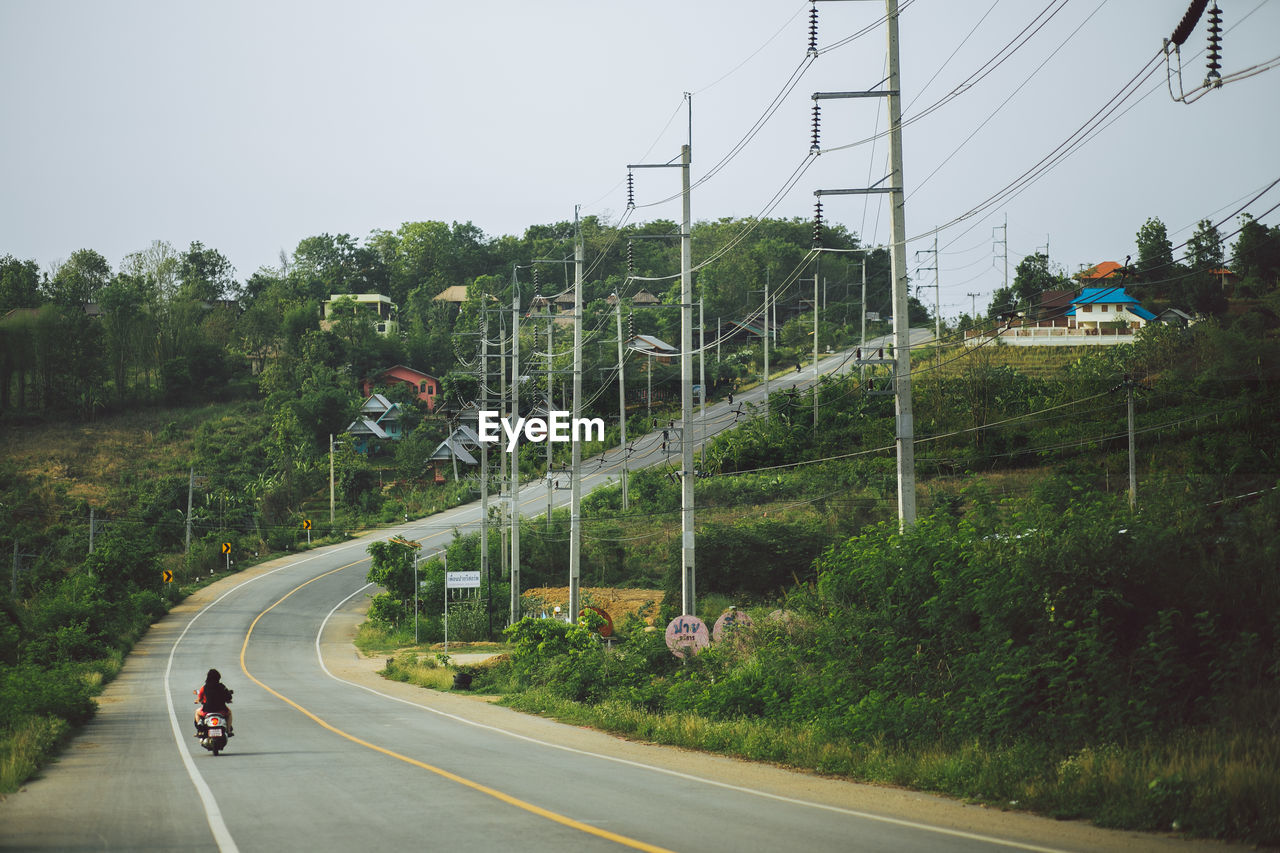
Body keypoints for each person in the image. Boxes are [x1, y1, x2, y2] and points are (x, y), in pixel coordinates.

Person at [195, 668, 234, 737]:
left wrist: (198, 700)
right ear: (218, 677)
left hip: (207, 711)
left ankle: (200, 730)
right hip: (221, 710)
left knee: (197, 712)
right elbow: (229, 697)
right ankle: (228, 731)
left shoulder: (204, 687)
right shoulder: (222, 687)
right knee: (229, 713)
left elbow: (200, 697)